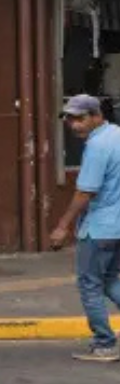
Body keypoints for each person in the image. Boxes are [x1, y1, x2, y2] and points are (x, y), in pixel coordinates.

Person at [49, 94, 120, 363]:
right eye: (69, 119)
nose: (73, 125)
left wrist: (62, 226)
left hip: (99, 228)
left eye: (79, 118)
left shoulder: (98, 146)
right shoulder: (116, 135)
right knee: (109, 280)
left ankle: (104, 343)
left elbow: (85, 191)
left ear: (96, 116)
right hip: (116, 226)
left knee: (89, 284)